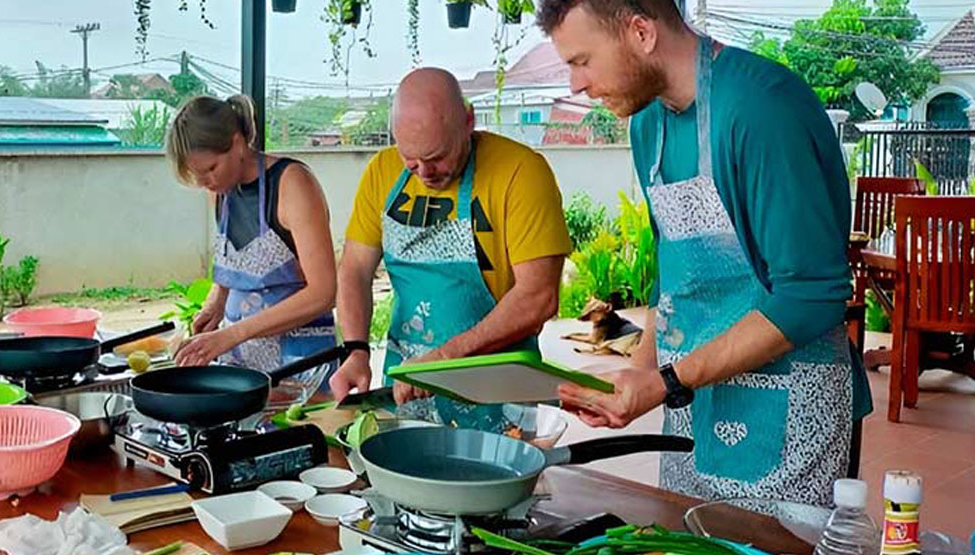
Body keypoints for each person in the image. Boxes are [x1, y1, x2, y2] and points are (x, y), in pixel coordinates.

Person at [538, 0, 871, 505]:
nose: (575, 85)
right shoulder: (647, 124)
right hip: (692, 409)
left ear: (641, 32)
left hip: (791, 414)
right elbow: (674, 279)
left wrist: (667, 380)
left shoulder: (762, 108)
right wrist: (644, 374)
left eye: (582, 60)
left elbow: (811, 296)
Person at [329, 68, 572, 432]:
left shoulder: (521, 172)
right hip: (407, 387)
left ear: (469, 121)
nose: (424, 172)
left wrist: (442, 358)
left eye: (437, 156)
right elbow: (354, 270)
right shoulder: (382, 171)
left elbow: (538, 298)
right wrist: (356, 350)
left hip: (497, 392)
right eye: (410, 160)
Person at [166, 95, 338, 402]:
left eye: (210, 168)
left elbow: (323, 293)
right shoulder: (220, 192)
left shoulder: (292, 184)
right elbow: (234, 259)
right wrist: (216, 302)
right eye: (197, 175)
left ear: (237, 143)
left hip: (299, 365)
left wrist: (231, 334)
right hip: (241, 363)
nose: (205, 181)